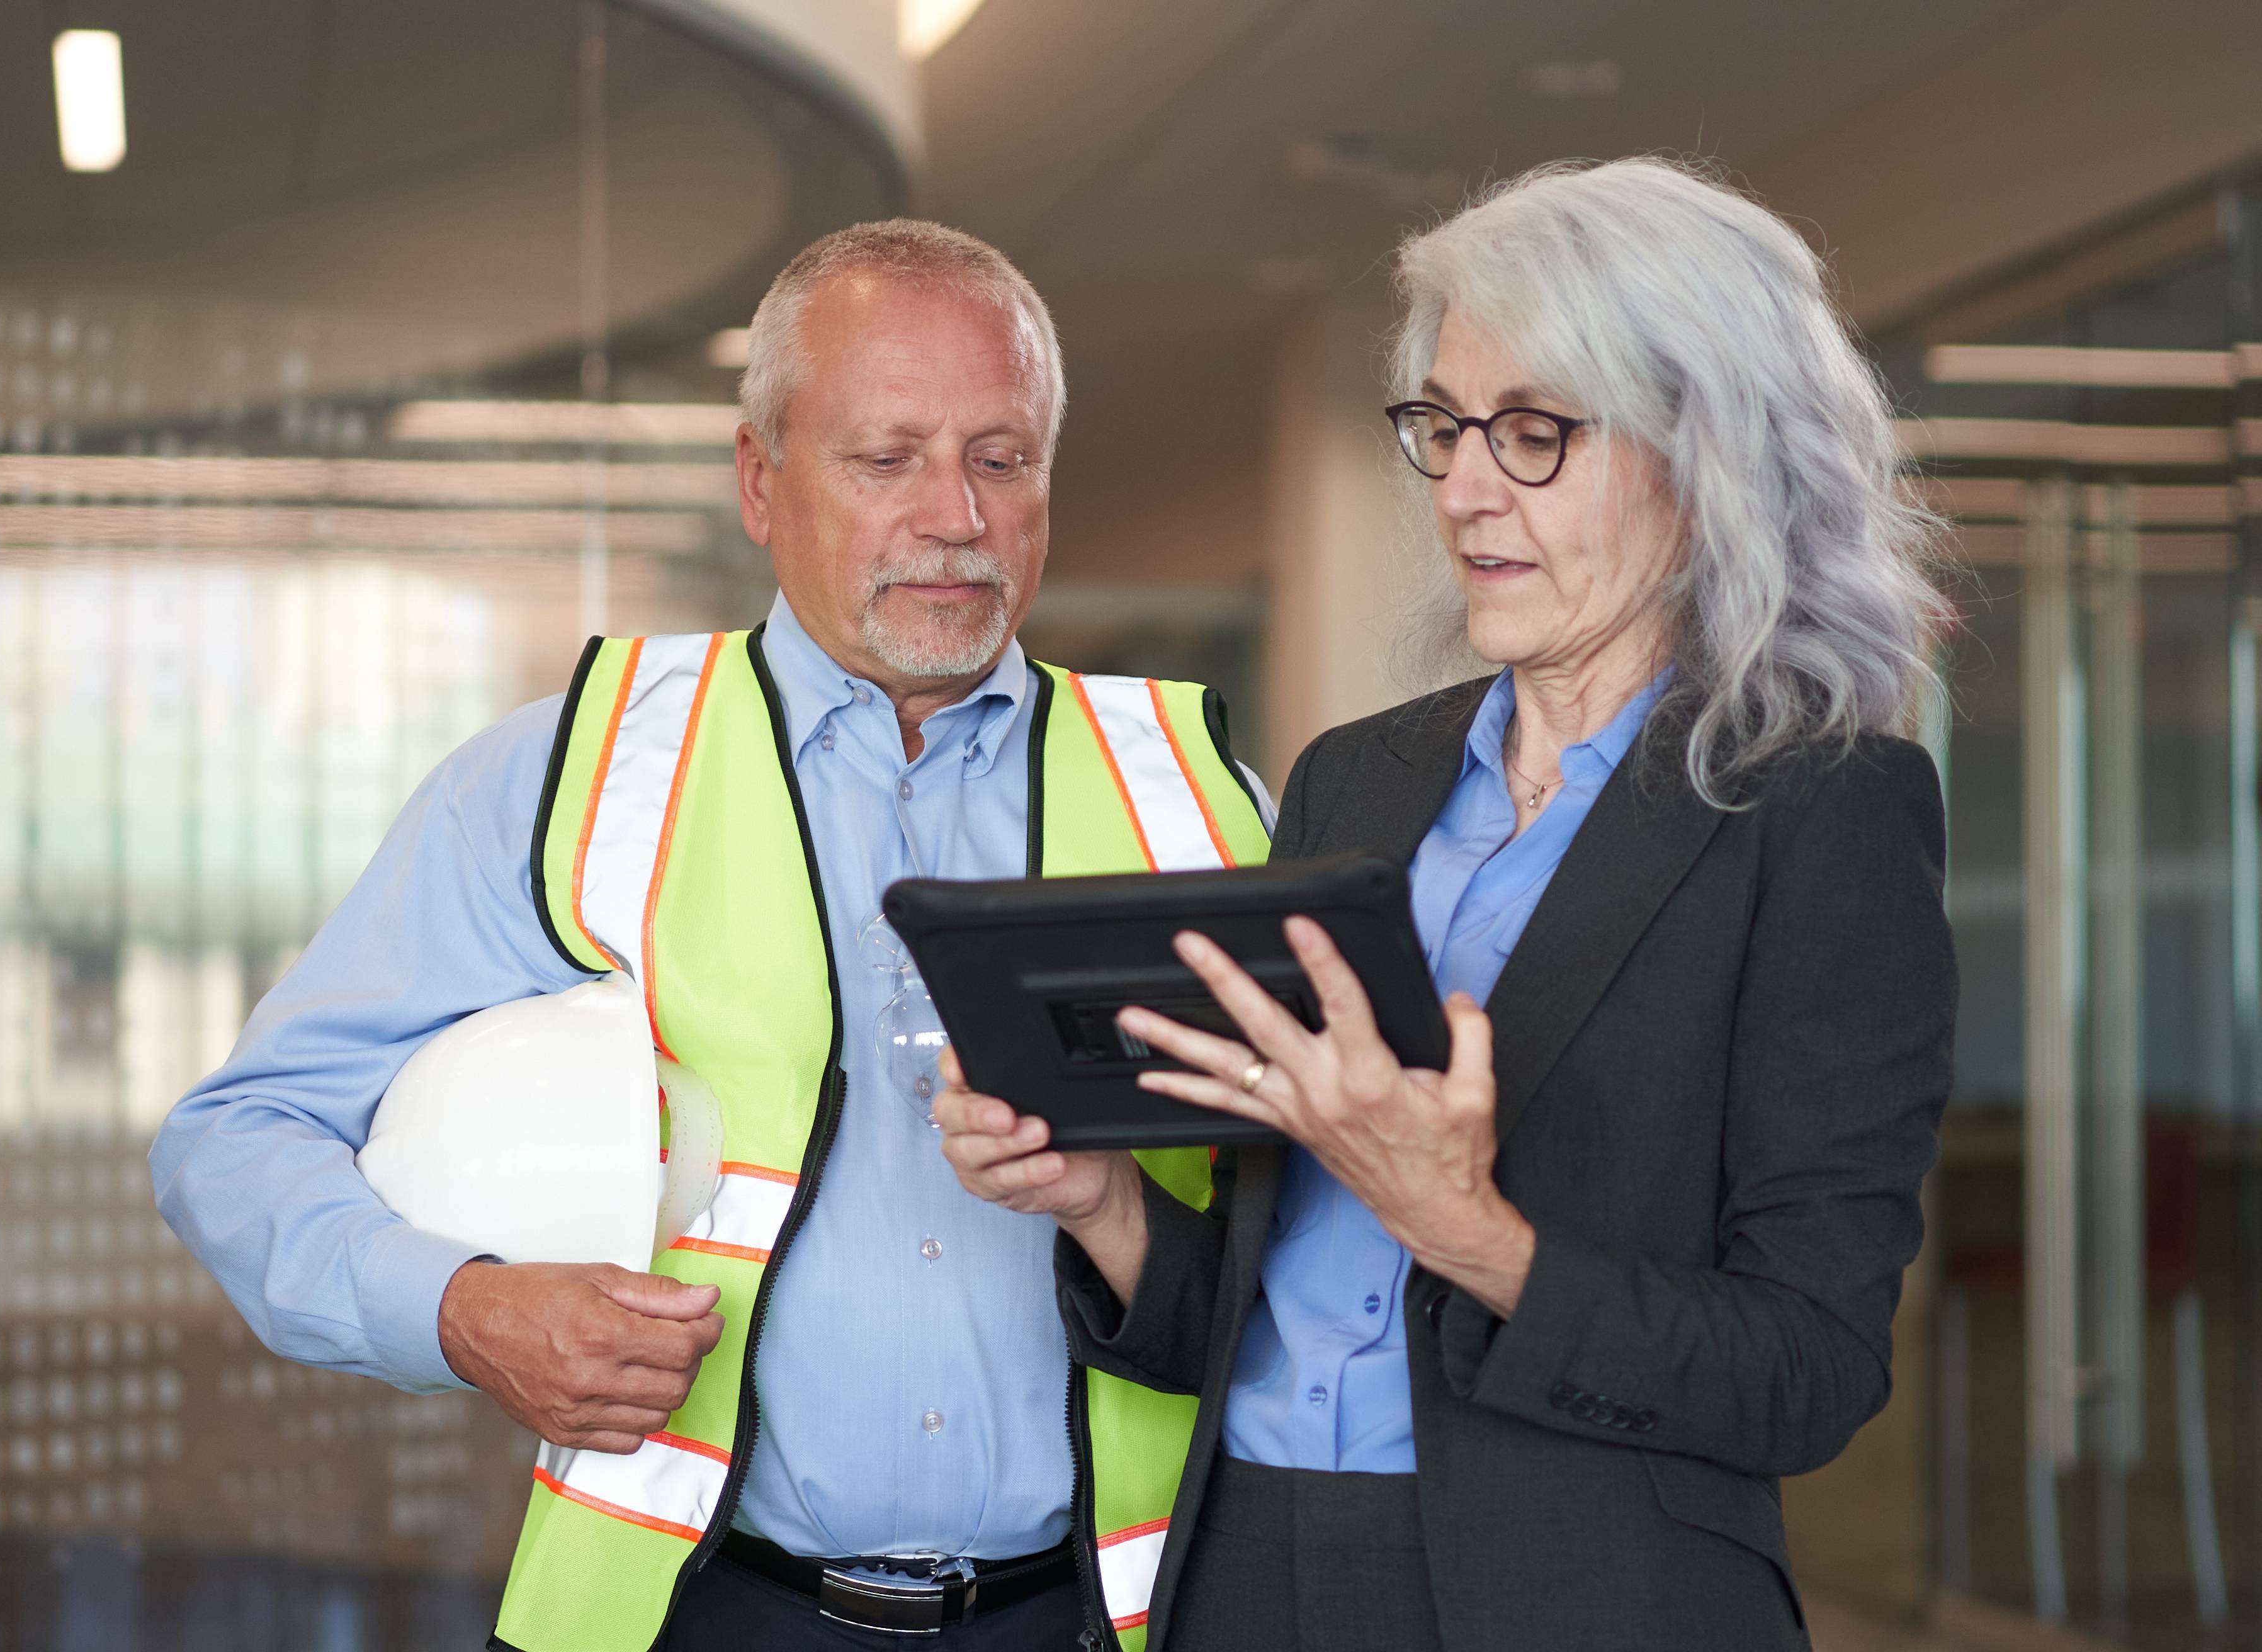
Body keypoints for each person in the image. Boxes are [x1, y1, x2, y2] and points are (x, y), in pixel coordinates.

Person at [151, 220, 1274, 1652]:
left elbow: (1306, 1237)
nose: (958, 515)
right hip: (699, 1611)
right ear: (760, 479)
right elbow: (239, 1134)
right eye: (887, 459)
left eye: (1004, 457)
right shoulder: (571, 771)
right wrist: (467, 1313)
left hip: (1104, 1617)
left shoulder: (1197, 792)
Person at [937, 157, 1957, 1651]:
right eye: (1445, 428)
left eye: (1535, 434)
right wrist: (1101, 1206)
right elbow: (1265, 1310)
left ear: (1711, 454)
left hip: (1581, 1598)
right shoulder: (1361, 779)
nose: (1466, 488)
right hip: (1245, 1573)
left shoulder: (1824, 809)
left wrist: (1469, 1231)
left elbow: (1805, 1371)